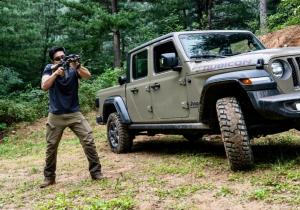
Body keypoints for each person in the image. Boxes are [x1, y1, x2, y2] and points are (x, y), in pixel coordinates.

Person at [40, 46, 102, 188]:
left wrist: (77, 65)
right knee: (51, 146)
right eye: (58, 58)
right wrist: (56, 73)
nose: (62, 59)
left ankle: (96, 172)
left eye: (63, 57)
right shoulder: (49, 68)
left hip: (74, 112)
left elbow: (88, 76)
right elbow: (44, 85)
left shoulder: (73, 67)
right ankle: (49, 177)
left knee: (88, 140)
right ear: (52, 60)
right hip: (55, 114)